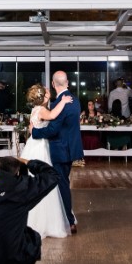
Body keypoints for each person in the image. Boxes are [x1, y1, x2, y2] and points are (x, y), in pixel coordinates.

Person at [30, 70, 83, 233]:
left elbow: (53, 129)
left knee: (61, 185)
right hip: (70, 149)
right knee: (62, 183)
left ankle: (69, 221)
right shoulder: (75, 100)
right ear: (67, 82)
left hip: (60, 150)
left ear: (53, 84)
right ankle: (62, 217)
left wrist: (34, 132)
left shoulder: (61, 102)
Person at [21, 84, 73, 238]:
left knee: (34, 180)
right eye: (46, 92)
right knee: (46, 179)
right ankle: (45, 221)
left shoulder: (35, 109)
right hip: (40, 147)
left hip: (33, 145)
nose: (48, 93)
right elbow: (53, 116)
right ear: (42, 97)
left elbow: (35, 126)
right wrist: (63, 102)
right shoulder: (42, 110)